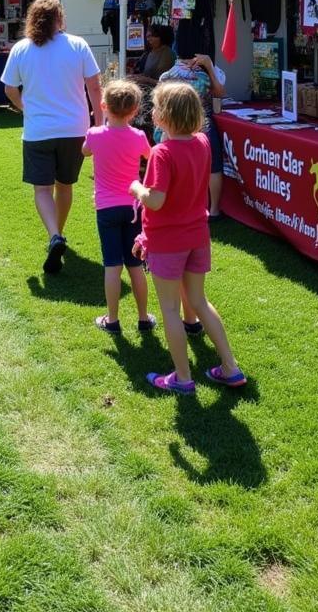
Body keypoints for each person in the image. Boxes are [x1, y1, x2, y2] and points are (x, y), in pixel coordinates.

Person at [129, 81, 245, 393]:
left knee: (169, 308)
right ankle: (230, 368)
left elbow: (156, 200)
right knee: (199, 301)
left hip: (168, 241)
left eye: (155, 108)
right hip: (197, 235)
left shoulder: (162, 154)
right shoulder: (203, 143)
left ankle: (182, 378)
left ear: (164, 116)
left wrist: (136, 187)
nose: (151, 112)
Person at [1, 0, 103, 275]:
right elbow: (95, 87)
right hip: (75, 129)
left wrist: (25, 107)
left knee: (42, 189)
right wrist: (99, 123)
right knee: (65, 185)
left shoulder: (21, 49)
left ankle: (54, 235)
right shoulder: (77, 45)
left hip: (38, 130)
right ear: (60, 18)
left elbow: (9, 89)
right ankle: (58, 234)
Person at [82, 80, 155, 333]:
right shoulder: (138, 136)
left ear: (103, 106)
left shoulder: (94, 134)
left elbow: (85, 151)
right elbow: (150, 155)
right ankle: (144, 318)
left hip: (106, 209)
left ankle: (112, 320)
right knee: (135, 264)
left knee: (112, 265)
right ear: (135, 110)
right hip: (133, 206)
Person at [157, 48, 226, 218]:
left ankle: (176, 204)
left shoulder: (166, 76)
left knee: (172, 168)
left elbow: (158, 105)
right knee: (213, 165)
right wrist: (209, 66)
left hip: (172, 128)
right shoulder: (205, 77)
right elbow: (220, 93)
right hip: (201, 125)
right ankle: (214, 209)